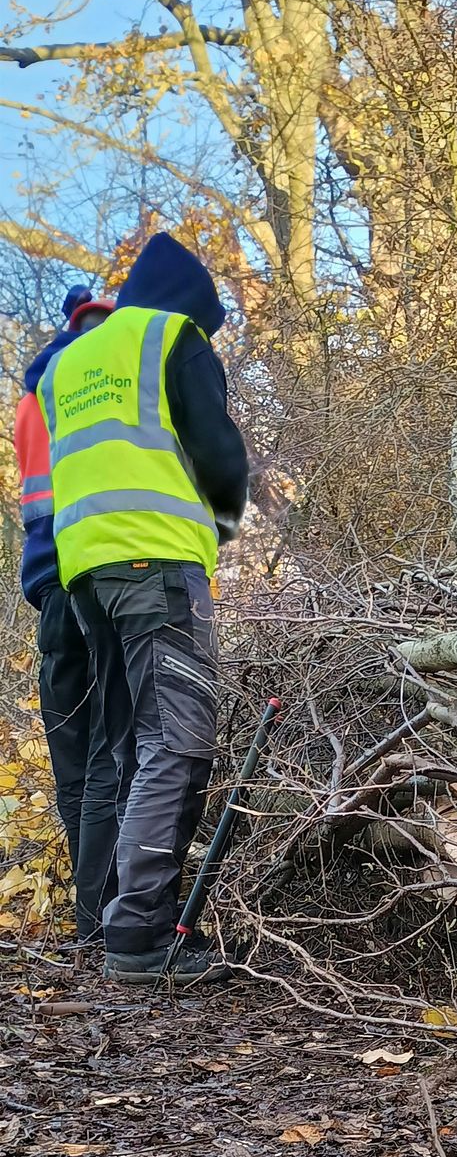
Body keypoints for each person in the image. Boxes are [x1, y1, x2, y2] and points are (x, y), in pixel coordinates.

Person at [37, 231, 249, 984]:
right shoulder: (172, 336)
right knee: (178, 743)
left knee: (130, 746)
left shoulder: (67, 364)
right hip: (156, 563)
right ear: (188, 304)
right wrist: (224, 527)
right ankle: (139, 937)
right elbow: (219, 454)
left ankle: (121, 920)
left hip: (86, 575)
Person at [14, 284, 121, 943]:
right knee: (111, 756)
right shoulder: (99, 386)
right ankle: (112, 921)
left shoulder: (34, 396)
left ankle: (91, 923)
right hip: (96, 581)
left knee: (75, 765)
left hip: (49, 591)